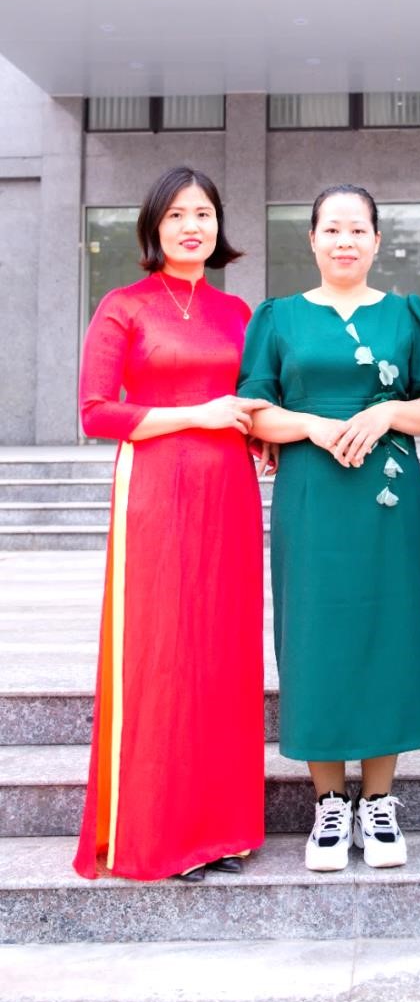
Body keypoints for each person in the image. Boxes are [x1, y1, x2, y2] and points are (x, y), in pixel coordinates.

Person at [238, 184, 420, 872]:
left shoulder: (407, 315)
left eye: (357, 229)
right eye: (331, 229)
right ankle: (329, 802)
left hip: (387, 499)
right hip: (311, 496)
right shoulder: (277, 318)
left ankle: (379, 801)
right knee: (314, 635)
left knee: (388, 632)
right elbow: (254, 410)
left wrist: (386, 412)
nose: (344, 241)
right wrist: (312, 425)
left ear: (376, 240)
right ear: (311, 239)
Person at [74, 166, 269, 882]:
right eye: (178, 215)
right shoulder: (123, 306)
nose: (193, 226)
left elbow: (250, 400)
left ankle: (223, 830)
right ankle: (160, 830)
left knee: (223, 652)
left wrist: (262, 435)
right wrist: (198, 414)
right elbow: (96, 412)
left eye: (204, 214)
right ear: (155, 226)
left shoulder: (238, 311)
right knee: (162, 652)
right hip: (155, 490)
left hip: (229, 492)